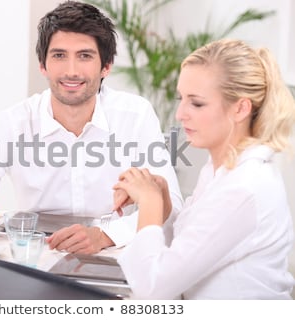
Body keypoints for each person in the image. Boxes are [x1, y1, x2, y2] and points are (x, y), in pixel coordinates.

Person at [0, 1, 182, 254]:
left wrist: (105, 236)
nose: (71, 71)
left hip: (115, 253)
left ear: (106, 66)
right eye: (59, 55)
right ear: (43, 65)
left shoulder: (135, 115)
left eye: (84, 56)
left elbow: (171, 207)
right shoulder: (12, 123)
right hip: (36, 255)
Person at [114, 39, 295, 299]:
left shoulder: (244, 187)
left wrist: (150, 203)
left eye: (196, 103)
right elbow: (193, 247)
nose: (180, 114)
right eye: (181, 99)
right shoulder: (218, 168)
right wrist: (163, 204)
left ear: (241, 108)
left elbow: (153, 287)